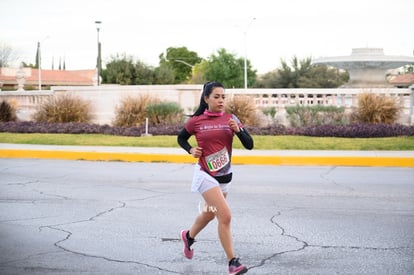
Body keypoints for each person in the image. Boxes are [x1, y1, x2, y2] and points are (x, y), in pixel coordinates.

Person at [177, 81, 254, 275]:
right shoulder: (197, 121)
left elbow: (249, 144)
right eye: (216, 97)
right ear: (206, 99)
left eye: (223, 97)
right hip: (205, 175)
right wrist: (191, 149)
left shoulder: (231, 118)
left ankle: (189, 236)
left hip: (225, 178)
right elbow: (181, 138)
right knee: (225, 216)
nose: (221, 100)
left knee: (210, 213)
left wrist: (238, 130)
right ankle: (233, 262)